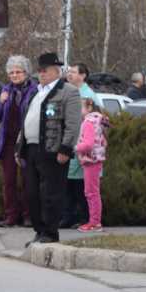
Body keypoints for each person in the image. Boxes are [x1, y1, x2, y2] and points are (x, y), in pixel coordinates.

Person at [21, 51, 81, 245]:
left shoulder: (68, 91)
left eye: (45, 70)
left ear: (56, 71)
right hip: (31, 149)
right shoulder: (37, 92)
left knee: (51, 194)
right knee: (32, 193)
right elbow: (26, 121)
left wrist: (66, 148)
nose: (41, 74)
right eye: (39, 71)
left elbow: (73, 123)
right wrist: (18, 147)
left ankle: (50, 233)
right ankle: (39, 230)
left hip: (53, 150)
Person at [0, 55, 36, 226]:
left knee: (27, 179)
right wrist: (1, 102)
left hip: (25, 140)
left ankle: (29, 215)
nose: (14, 75)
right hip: (8, 142)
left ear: (26, 72)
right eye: (11, 73)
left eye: (18, 72)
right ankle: (11, 216)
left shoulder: (34, 90)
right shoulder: (5, 90)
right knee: (9, 181)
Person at [75, 87, 110, 232]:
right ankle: (95, 221)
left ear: (88, 107)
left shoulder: (88, 122)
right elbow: (104, 141)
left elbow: (88, 144)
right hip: (97, 159)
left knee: (91, 192)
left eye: (79, 108)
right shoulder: (98, 120)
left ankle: (94, 222)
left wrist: (76, 147)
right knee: (93, 191)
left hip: (91, 160)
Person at [62, 63, 92, 228]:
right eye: (69, 72)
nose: (70, 74)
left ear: (83, 76)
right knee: (68, 184)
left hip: (82, 145)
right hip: (71, 142)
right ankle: (68, 216)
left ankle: (83, 217)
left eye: (74, 72)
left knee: (80, 186)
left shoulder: (87, 95)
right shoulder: (69, 91)